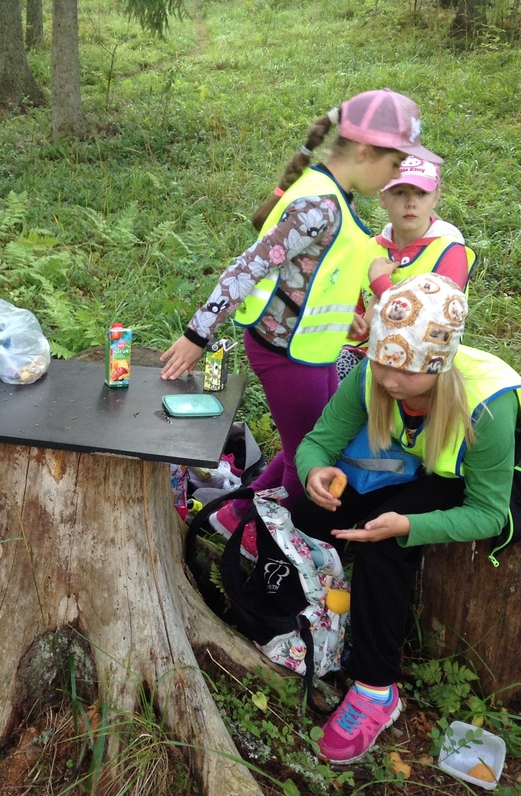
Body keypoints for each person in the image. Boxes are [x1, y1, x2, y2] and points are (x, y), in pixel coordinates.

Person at [160, 89, 443, 552]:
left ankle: (234, 514)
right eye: (394, 164)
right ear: (365, 152)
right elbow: (248, 266)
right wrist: (197, 334)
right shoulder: (319, 206)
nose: (396, 175)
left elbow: (312, 274)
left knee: (314, 441)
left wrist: (343, 319)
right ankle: (259, 541)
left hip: (311, 347)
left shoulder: (336, 196)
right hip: (285, 352)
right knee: (307, 457)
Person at [292, 273, 521, 764]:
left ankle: (375, 689)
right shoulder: (373, 375)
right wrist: (314, 472)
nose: (390, 381)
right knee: (310, 508)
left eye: (407, 371)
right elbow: (319, 441)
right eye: (383, 362)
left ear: (439, 364)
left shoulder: (487, 405)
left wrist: (410, 526)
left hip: (473, 476)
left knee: (383, 544)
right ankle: (316, 611)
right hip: (417, 456)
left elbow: (488, 513)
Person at [335, 155, 475, 380]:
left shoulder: (449, 251)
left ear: (436, 198)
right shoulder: (369, 248)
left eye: (421, 193)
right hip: (363, 352)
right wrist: (352, 320)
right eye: (400, 192)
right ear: (383, 198)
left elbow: (436, 326)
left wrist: (380, 284)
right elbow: (355, 308)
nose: (411, 202)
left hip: (423, 364)